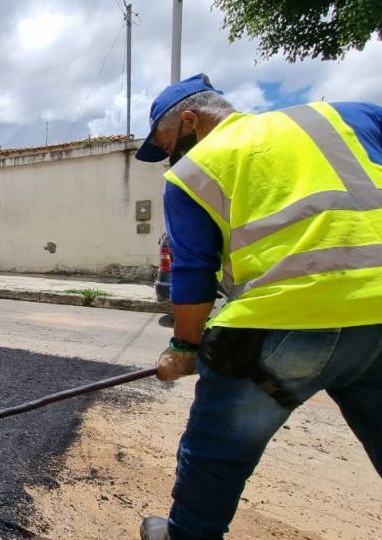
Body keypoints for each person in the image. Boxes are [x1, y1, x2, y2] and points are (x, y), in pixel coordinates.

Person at [134, 73, 382, 540]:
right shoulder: (352, 117)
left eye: (168, 144)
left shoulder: (195, 170)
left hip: (279, 323)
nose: (170, 157)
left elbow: (193, 273)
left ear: (191, 120)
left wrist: (183, 349)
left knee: (216, 452)